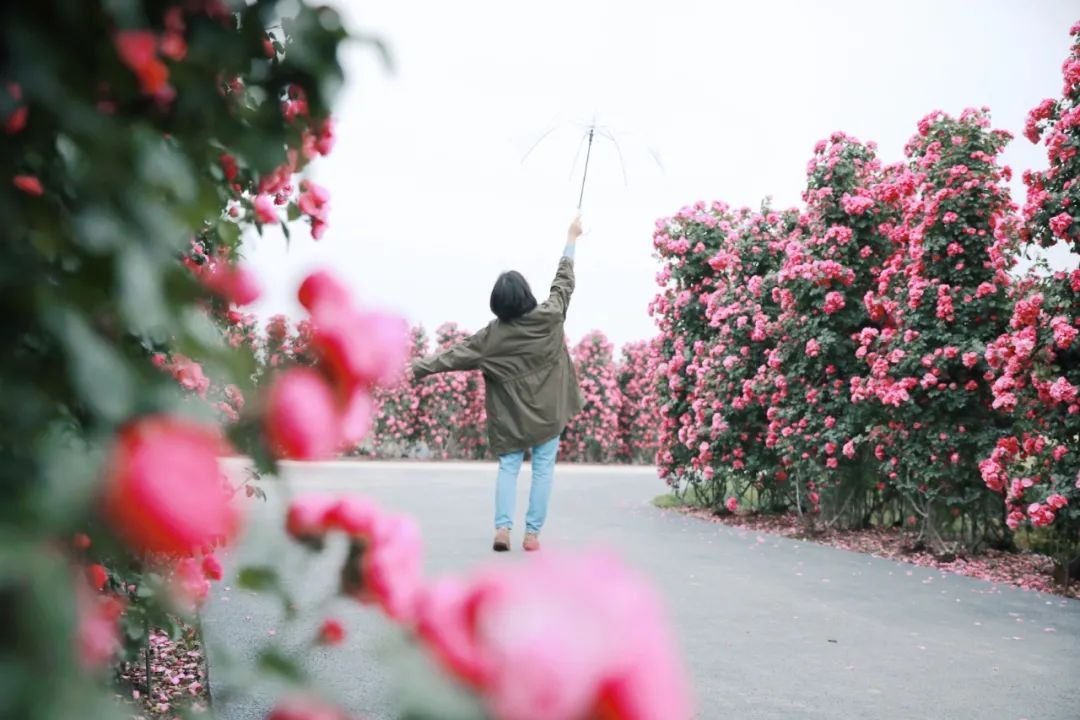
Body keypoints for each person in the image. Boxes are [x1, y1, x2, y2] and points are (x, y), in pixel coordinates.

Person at [411, 214, 585, 552]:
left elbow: (451, 356)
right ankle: (532, 535)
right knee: (543, 470)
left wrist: (416, 367)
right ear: (526, 296)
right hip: (549, 414)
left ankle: (502, 529)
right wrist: (571, 237)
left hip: (512, 420)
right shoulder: (550, 317)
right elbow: (564, 282)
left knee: (508, 467)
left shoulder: (491, 338)